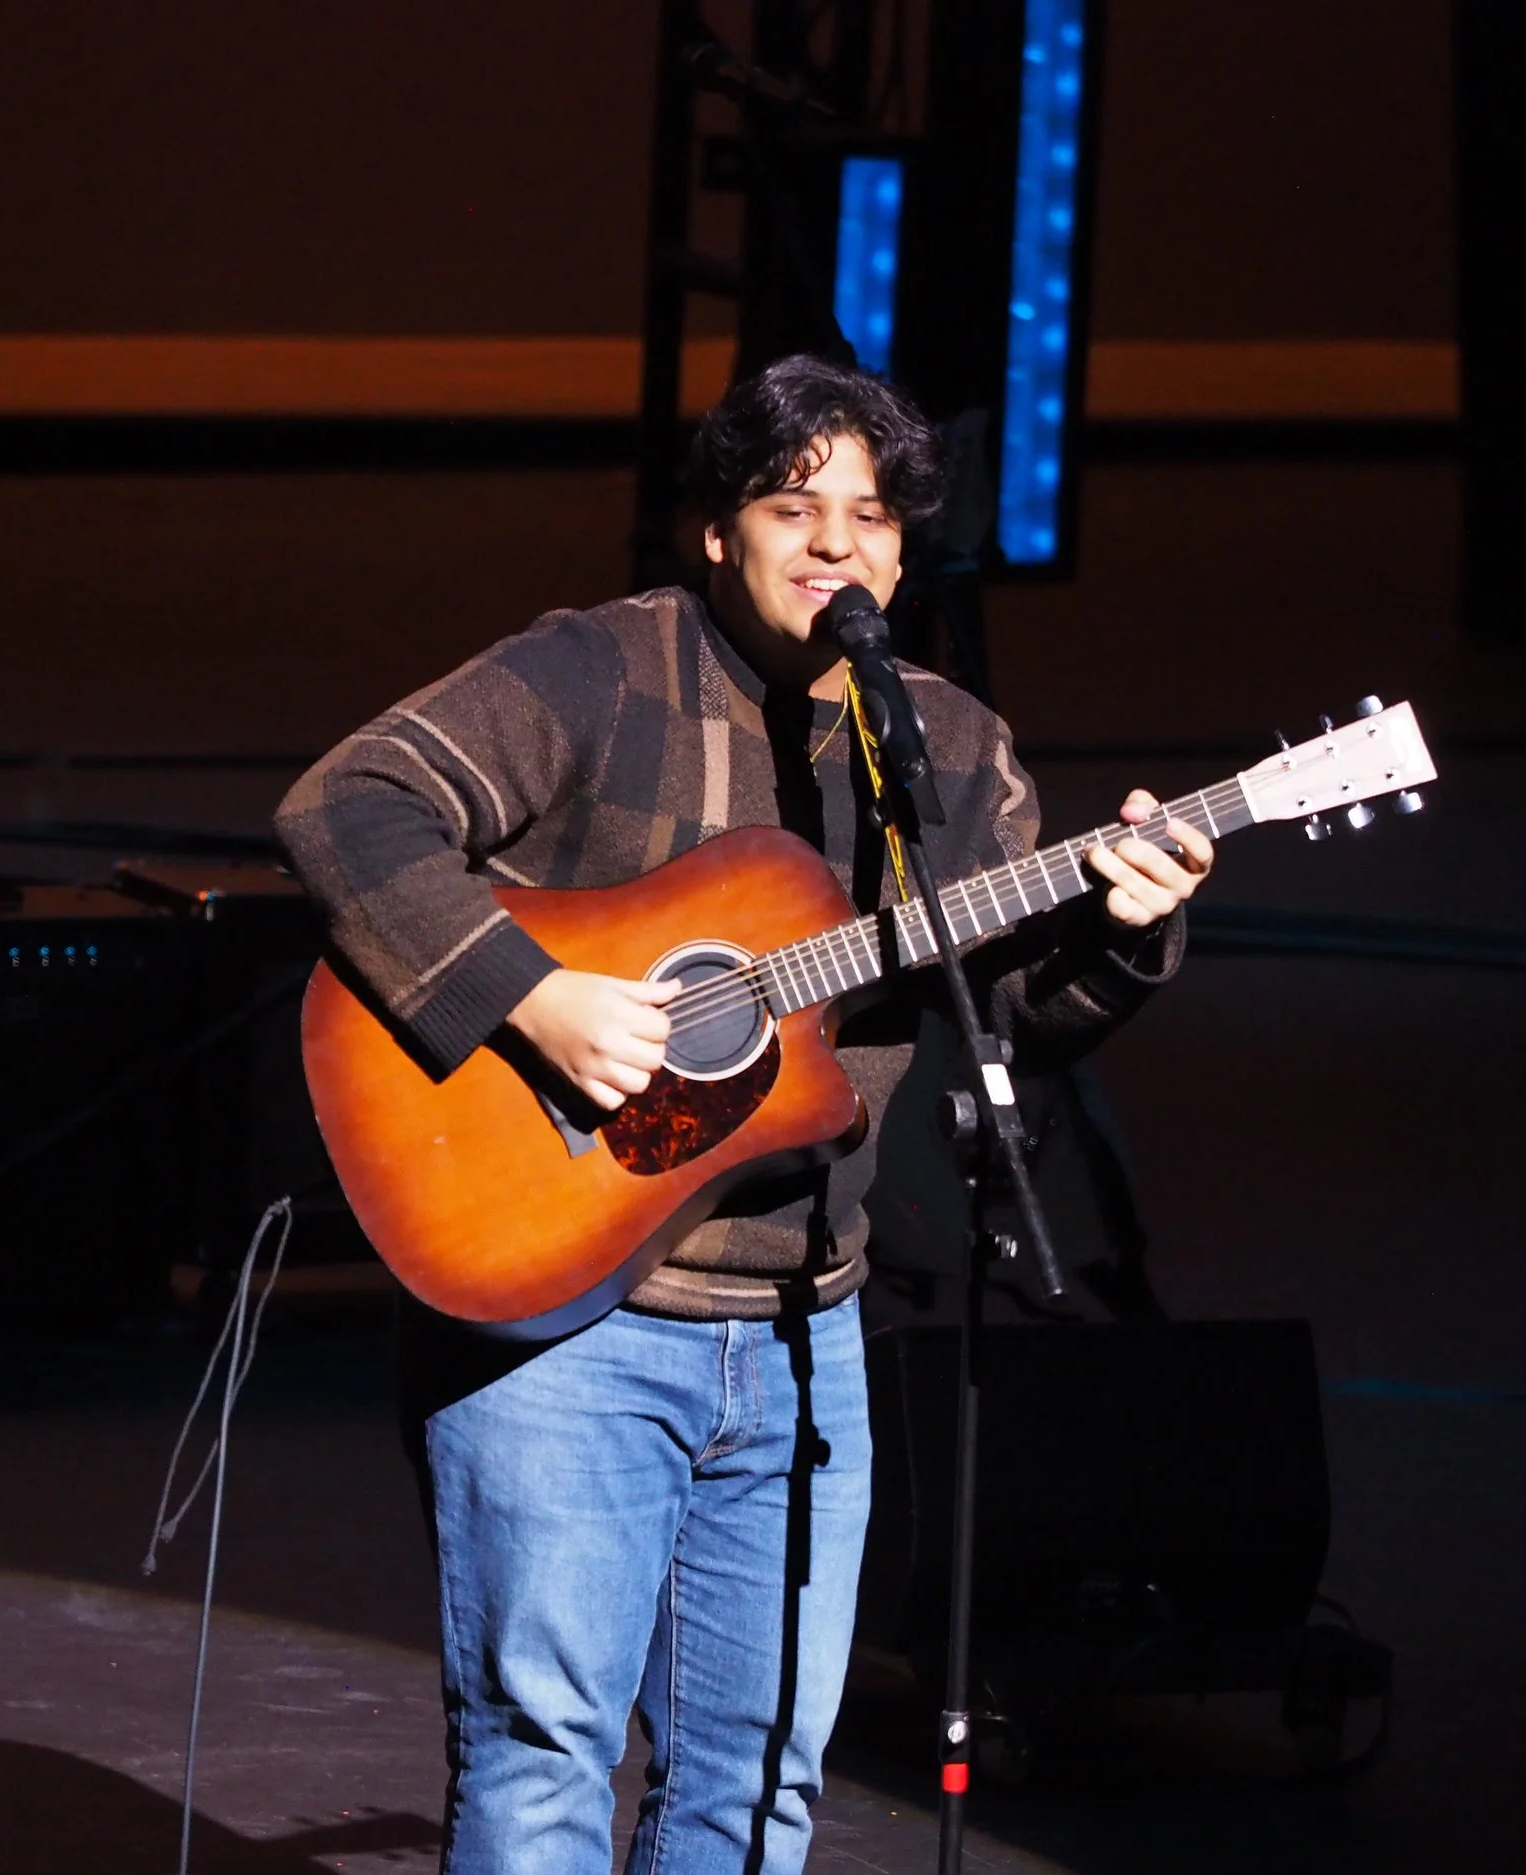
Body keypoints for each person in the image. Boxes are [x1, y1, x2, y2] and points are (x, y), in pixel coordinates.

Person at [274, 354, 1212, 1875]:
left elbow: (1013, 1015)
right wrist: (535, 995)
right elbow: (349, 802)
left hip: (803, 1331)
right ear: (717, 530)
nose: (838, 543)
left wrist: (1124, 924)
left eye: (872, 516)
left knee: (762, 1785)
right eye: (796, 505)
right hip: (570, 1312)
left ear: (904, 555)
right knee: (542, 1763)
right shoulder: (603, 671)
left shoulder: (951, 754)